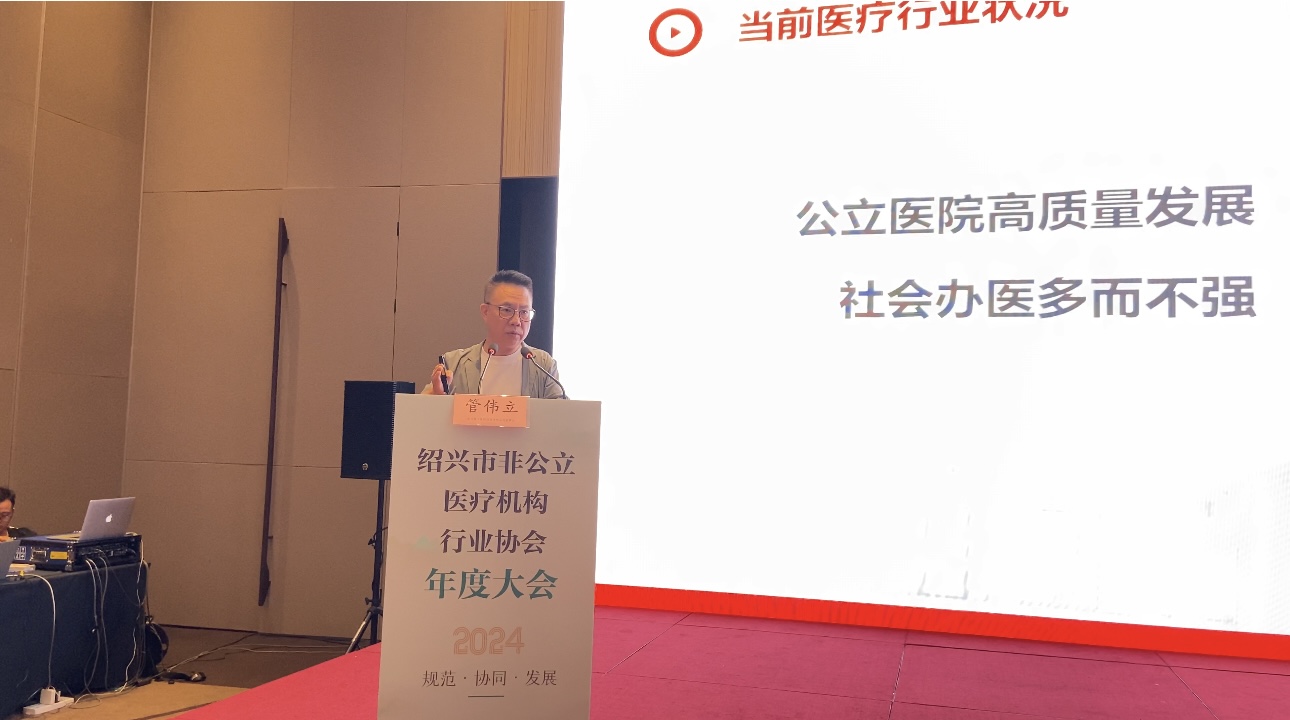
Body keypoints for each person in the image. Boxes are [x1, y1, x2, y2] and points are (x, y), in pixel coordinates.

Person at [424, 270, 566, 399]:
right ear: (485, 312)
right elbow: (421, 411)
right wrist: (437, 399)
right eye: (506, 310)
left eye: (524, 312)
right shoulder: (453, 364)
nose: (516, 321)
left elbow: (561, 414)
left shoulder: (543, 365)